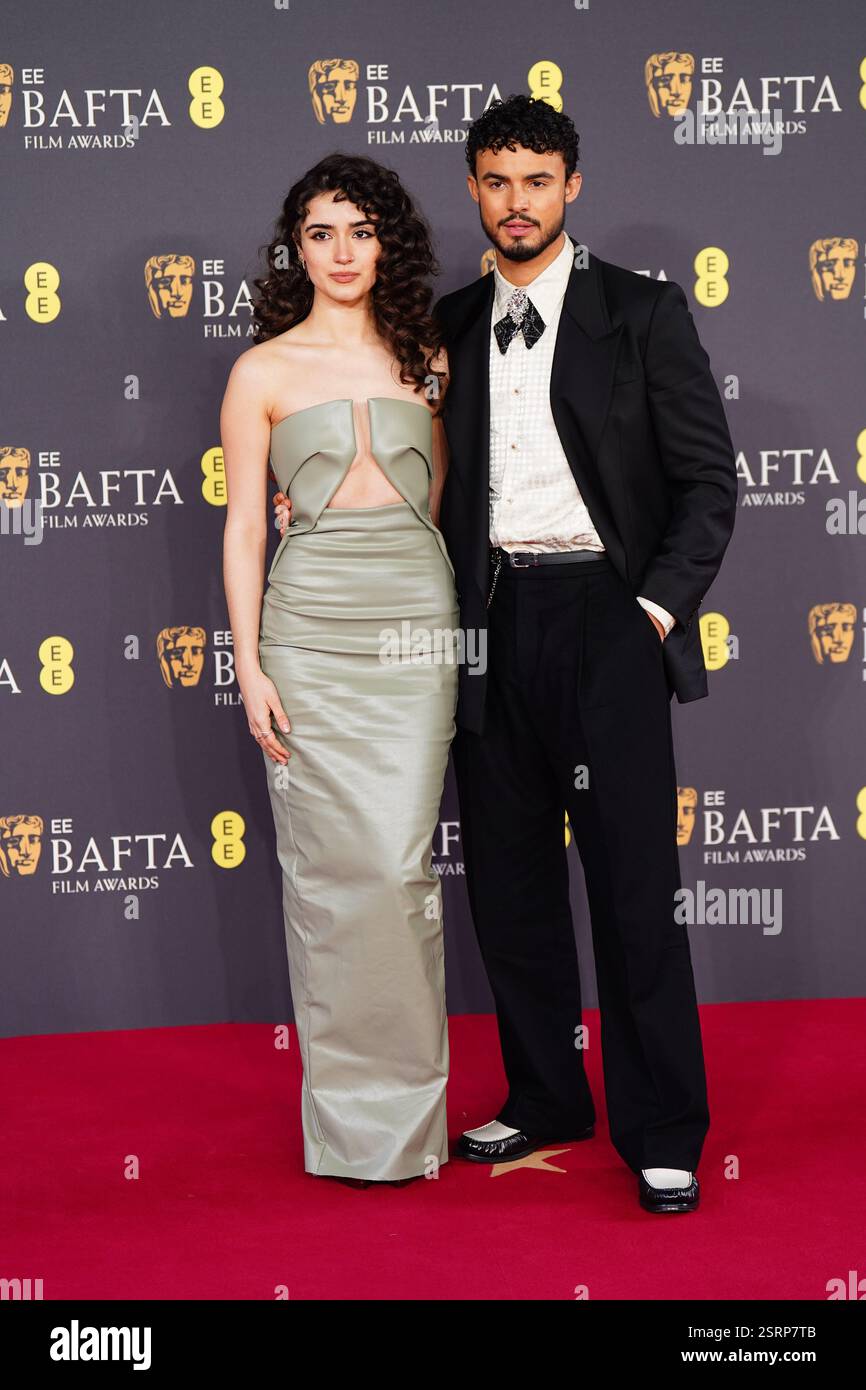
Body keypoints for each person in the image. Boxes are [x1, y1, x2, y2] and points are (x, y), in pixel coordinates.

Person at [274, 97, 738, 1213]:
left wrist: (655, 614)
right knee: (510, 885)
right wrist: (318, 517)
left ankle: (662, 1125)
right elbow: (400, 460)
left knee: (632, 887)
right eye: (494, 180)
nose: (515, 201)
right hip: (485, 622)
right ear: (473, 189)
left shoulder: (641, 311)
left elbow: (707, 485)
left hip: (608, 620)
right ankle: (544, 1093)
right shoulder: (443, 323)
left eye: (535, 179)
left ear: (569, 184)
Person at [222, 153, 458, 1184]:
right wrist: (248, 663)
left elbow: (435, 502)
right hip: (307, 631)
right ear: (296, 249)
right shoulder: (261, 372)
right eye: (321, 233)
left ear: (385, 243)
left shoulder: (427, 361)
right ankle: (349, 1128)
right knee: (328, 874)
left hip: (411, 625)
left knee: (400, 868)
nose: (341, 252)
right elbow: (240, 530)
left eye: (359, 230)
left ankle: (409, 1121)